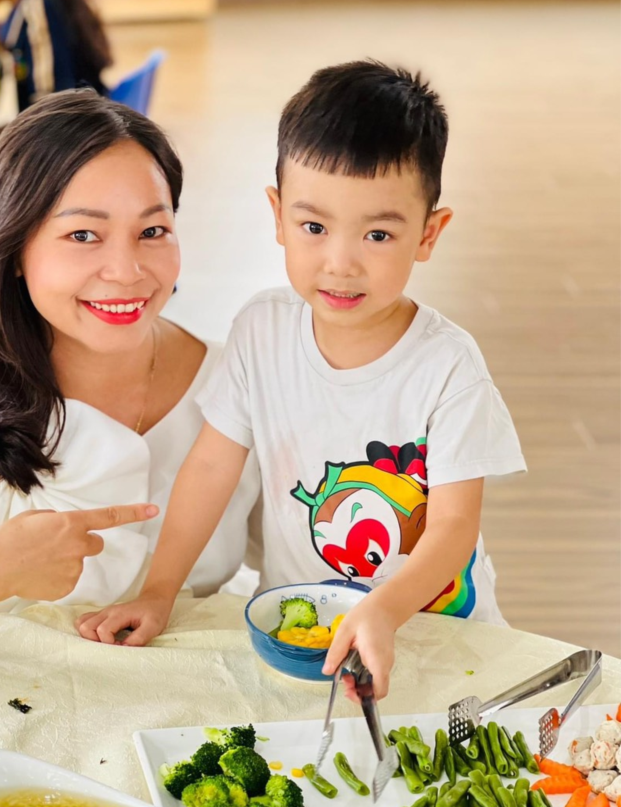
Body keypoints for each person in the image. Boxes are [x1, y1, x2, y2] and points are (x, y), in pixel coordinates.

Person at [76, 59, 526, 698]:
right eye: (314, 227)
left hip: (435, 635)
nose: (340, 263)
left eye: (378, 234)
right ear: (278, 214)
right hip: (303, 633)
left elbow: (454, 528)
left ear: (429, 234)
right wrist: (158, 591)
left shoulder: (448, 366)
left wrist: (382, 611)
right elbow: (210, 468)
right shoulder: (261, 331)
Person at [0, 90, 259, 661]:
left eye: (153, 231)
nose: (127, 271)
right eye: (82, 235)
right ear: (14, 248)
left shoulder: (243, 382)